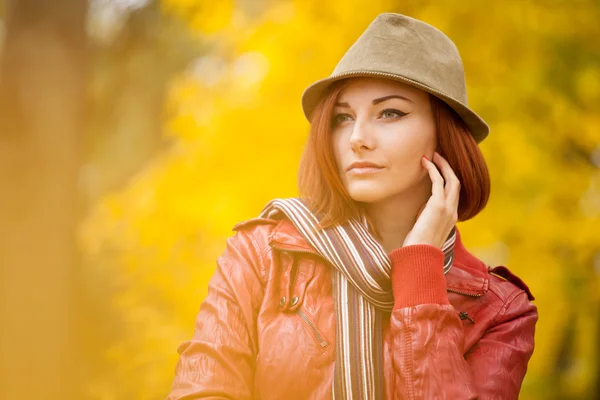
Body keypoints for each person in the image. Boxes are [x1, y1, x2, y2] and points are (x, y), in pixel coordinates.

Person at [167, 12, 538, 400]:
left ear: (444, 133)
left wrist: (420, 270)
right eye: (343, 117)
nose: (357, 138)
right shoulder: (262, 255)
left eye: (390, 112)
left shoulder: (500, 310)